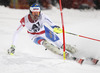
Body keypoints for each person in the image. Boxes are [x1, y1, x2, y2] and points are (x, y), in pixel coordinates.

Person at [8, 3, 76, 57]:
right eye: (34, 13)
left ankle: (76, 51)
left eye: (37, 13)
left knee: (61, 44)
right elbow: (16, 32)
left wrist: (56, 28)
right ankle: (61, 53)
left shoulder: (43, 16)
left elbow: (53, 25)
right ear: (30, 12)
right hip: (35, 36)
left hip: (45, 31)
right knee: (46, 44)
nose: (36, 15)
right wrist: (13, 46)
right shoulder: (25, 20)